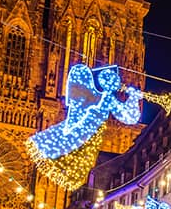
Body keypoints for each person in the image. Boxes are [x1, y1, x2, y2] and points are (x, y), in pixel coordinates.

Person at [25, 63, 143, 191]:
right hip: (82, 132)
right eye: (112, 81)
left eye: (115, 81)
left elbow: (130, 117)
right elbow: (128, 116)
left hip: (86, 137)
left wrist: (133, 99)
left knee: (70, 160)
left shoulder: (107, 98)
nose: (115, 85)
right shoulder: (98, 96)